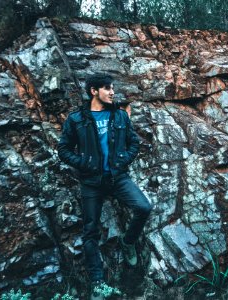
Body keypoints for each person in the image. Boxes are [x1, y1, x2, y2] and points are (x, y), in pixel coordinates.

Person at [57, 74, 152, 299]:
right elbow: (64, 149)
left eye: (112, 89)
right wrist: (84, 163)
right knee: (90, 231)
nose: (112, 93)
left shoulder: (120, 116)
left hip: (118, 178)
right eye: (107, 89)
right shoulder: (77, 119)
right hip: (91, 182)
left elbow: (134, 143)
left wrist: (121, 160)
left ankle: (128, 242)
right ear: (93, 91)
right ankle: (98, 283)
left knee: (144, 208)